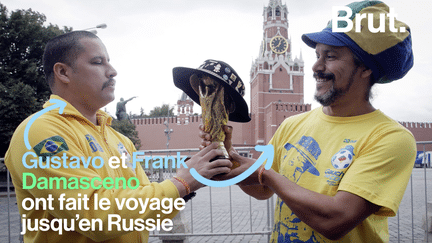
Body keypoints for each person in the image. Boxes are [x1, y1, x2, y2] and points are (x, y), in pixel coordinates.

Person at [201, 1, 416, 242]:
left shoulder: (390, 138)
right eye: (317, 55)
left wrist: (266, 173)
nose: (316, 66)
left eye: (330, 56)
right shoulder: (292, 125)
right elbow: (261, 190)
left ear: (365, 68)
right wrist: (229, 155)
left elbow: (335, 221)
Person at [5, 31, 232, 243]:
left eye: (109, 61)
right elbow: (94, 215)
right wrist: (181, 183)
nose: (112, 71)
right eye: (97, 62)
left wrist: (192, 179)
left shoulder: (120, 140)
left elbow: (145, 211)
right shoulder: (40, 131)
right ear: (63, 72)